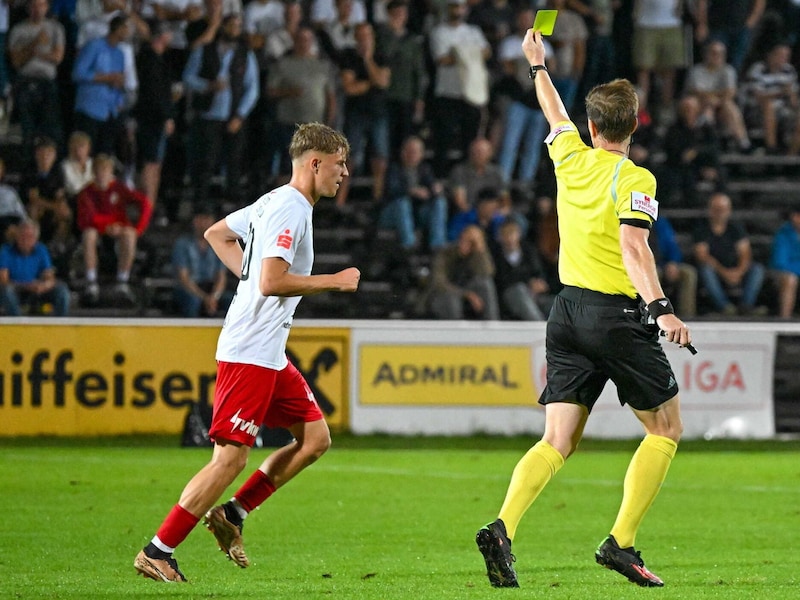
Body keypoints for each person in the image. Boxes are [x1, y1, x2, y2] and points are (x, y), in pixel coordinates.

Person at [475, 28, 691, 589]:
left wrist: (537, 65)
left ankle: (503, 527)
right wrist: (661, 308)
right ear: (634, 125)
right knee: (665, 427)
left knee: (557, 441)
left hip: (565, 311)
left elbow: (554, 117)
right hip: (615, 316)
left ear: (592, 128)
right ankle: (620, 542)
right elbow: (633, 246)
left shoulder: (570, 157)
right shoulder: (635, 177)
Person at [133, 122, 360, 583]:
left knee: (315, 439)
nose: (345, 173)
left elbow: (218, 234)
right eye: (339, 165)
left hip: (269, 353)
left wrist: (248, 277)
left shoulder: (272, 201)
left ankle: (233, 514)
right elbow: (272, 281)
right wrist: (333, 281)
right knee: (230, 459)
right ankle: (158, 550)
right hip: (250, 351)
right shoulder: (291, 210)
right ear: (314, 163)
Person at [182, 13, 260, 208]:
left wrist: (240, 115)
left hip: (233, 115)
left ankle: (232, 200)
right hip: (209, 114)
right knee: (206, 160)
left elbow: (252, 88)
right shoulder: (205, 50)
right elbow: (188, 77)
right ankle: (201, 201)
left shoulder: (245, 54)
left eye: (237, 26)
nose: (234, 29)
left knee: (234, 161)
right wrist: (207, 86)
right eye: (231, 25)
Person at [76, 154, 153, 304]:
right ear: (93, 172)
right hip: (97, 229)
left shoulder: (119, 189)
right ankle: (91, 282)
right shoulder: (86, 192)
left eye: (105, 170)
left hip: (119, 229)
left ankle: (122, 281)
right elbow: (87, 217)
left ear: (111, 172)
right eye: (99, 170)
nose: (102, 174)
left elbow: (144, 203)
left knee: (130, 235)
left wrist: (139, 228)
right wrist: (107, 226)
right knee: (88, 235)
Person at [693, 191, 766, 316]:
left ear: (729, 210)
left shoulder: (736, 228)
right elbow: (702, 256)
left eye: (723, 209)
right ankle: (725, 307)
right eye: (717, 209)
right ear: (710, 210)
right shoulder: (701, 229)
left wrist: (739, 271)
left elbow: (745, 253)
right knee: (706, 270)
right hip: (716, 270)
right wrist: (724, 273)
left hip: (735, 268)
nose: (720, 213)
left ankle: (746, 306)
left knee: (757, 269)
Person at [8, 0, 66, 158]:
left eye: (41, 5)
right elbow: (16, 61)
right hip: (25, 82)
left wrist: (34, 54)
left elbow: (58, 57)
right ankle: (28, 166)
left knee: (51, 130)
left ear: (47, 7)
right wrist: (35, 44)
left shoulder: (55, 28)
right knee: (28, 131)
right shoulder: (18, 29)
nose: (37, 9)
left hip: (48, 83)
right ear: (28, 8)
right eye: (34, 5)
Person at [71, 13, 130, 156]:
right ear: (118, 28)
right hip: (90, 109)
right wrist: (107, 78)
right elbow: (78, 73)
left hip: (110, 111)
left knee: (104, 155)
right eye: (127, 27)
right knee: (86, 153)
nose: (129, 32)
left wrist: (119, 100)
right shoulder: (94, 46)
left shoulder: (120, 54)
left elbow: (118, 79)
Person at [377, 135, 447, 251]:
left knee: (440, 203)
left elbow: (431, 189)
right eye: (409, 151)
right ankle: (409, 245)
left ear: (421, 154)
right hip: (392, 212)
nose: (412, 155)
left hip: (416, 213)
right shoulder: (394, 169)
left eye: (415, 152)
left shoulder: (425, 169)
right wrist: (411, 191)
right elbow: (391, 191)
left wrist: (434, 190)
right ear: (403, 153)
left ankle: (437, 245)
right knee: (402, 203)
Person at [683, 40, 752, 152]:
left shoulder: (728, 70)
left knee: (729, 106)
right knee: (692, 103)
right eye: (713, 53)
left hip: (720, 106)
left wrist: (714, 99)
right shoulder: (697, 70)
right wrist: (714, 97)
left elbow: (730, 92)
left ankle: (743, 143)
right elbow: (696, 92)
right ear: (706, 54)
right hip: (701, 105)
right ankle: (693, 141)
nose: (716, 56)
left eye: (720, 53)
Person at [424, 224, 500, 320]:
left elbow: (488, 272)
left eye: (471, 242)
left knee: (486, 284)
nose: (465, 243)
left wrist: (481, 252)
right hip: (442, 295)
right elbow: (440, 283)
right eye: (463, 239)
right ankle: (457, 332)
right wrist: (467, 294)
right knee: (451, 299)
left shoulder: (475, 256)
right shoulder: (445, 253)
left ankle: (492, 324)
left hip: (466, 293)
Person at [0, 219, 70, 316]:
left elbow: (49, 276)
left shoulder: (41, 250)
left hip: (36, 290)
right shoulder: (6, 250)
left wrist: (44, 285)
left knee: (62, 290)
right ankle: (18, 324)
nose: (25, 240)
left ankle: (60, 326)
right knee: (7, 291)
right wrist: (26, 285)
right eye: (22, 236)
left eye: (29, 237)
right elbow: (3, 280)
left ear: (35, 239)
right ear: (17, 236)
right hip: (16, 289)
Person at [171, 209, 232, 317]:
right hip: (190, 288)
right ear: (194, 221)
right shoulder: (182, 244)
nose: (205, 223)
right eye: (202, 219)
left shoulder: (218, 244)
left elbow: (221, 276)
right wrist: (204, 298)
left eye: (208, 219)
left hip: (211, 287)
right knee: (193, 301)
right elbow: (183, 278)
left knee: (232, 300)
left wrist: (214, 296)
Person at [490, 217, 550, 320]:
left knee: (555, 303)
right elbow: (501, 280)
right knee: (519, 290)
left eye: (512, 233)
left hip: (533, 294)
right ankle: (539, 327)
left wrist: (539, 283)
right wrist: (527, 281)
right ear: (500, 237)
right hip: (509, 295)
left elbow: (538, 273)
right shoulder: (495, 255)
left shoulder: (529, 251)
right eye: (506, 234)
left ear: (519, 235)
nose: (509, 238)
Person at [771, 207, 800, 318]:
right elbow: (780, 262)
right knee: (790, 280)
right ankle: (785, 319)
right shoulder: (783, 234)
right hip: (783, 273)